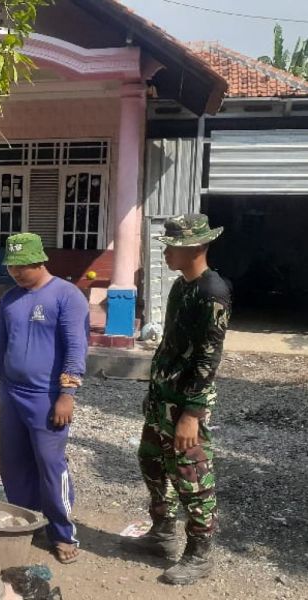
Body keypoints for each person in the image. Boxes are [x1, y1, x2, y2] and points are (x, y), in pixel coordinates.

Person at [124, 214, 231, 586]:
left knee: (191, 474)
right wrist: (154, 395)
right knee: (151, 461)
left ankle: (199, 554)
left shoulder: (212, 292)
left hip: (187, 403)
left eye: (173, 246)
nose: (166, 252)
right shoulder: (181, 288)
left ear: (197, 248)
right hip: (163, 398)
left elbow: (208, 357)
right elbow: (170, 347)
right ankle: (162, 531)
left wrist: (193, 413)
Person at [0, 233, 90, 564]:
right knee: (13, 463)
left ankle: (62, 532)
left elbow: (75, 347)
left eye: (20, 267)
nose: (15, 273)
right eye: (11, 267)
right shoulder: (10, 299)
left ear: (39, 261)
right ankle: (28, 519)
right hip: (10, 393)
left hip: (47, 396)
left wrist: (67, 395)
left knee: (49, 464)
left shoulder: (67, 297)